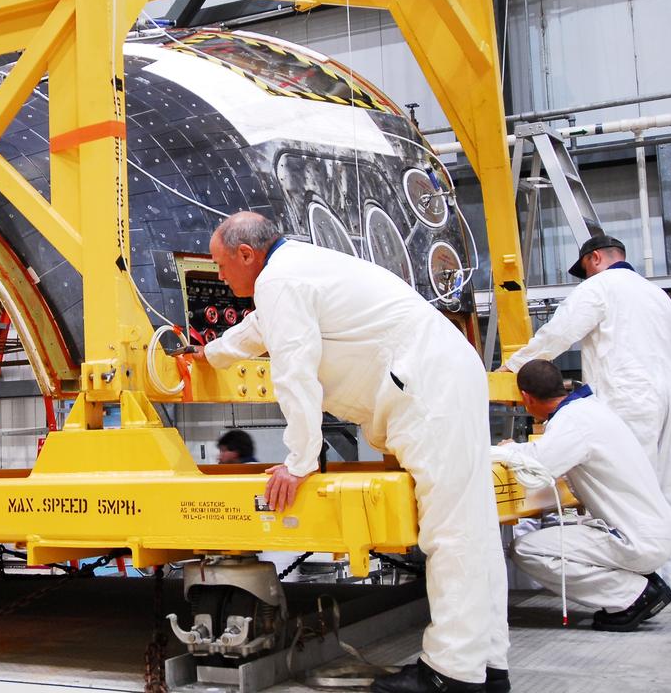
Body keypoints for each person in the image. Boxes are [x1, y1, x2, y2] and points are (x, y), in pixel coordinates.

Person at [189, 212, 509, 693]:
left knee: (452, 531)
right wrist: (209, 354)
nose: (219, 275)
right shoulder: (295, 269)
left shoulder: (279, 280)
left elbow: (294, 373)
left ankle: (453, 674)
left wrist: (299, 462)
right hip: (443, 375)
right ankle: (487, 665)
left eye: (219, 264)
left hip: (429, 388)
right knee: (473, 526)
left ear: (246, 254)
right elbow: (260, 329)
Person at [499, 234, 671, 598]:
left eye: (585, 269)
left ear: (594, 259)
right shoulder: (657, 295)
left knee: (627, 490)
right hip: (669, 398)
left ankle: (637, 588)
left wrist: (514, 366)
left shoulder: (600, 287)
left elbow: (559, 333)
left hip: (628, 396)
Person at [503, 360, 671, 630]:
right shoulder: (591, 409)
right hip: (653, 530)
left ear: (526, 397)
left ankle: (632, 596)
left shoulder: (571, 421)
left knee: (524, 549)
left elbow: (539, 465)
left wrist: (505, 450)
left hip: (637, 539)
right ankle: (644, 584)